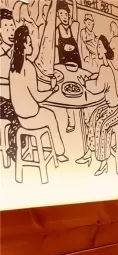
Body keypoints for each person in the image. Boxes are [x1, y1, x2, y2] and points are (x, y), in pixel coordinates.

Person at [9, 25, 68, 163]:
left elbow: (27, 89)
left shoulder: (14, 65)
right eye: (29, 43)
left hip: (20, 116)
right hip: (31, 116)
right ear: (23, 45)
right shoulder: (28, 66)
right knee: (51, 116)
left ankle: (57, 152)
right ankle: (60, 153)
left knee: (48, 114)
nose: (32, 46)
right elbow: (38, 97)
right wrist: (53, 90)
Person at [78, 35, 118, 176]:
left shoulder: (106, 69)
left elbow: (98, 88)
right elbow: (98, 78)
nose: (97, 48)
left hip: (116, 110)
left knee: (101, 125)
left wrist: (85, 83)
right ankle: (89, 153)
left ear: (104, 50)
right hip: (109, 107)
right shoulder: (104, 67)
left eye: (99, 46)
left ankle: (103, 162)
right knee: (92, 118)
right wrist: (90, 79)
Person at [56, 1, 81, 133]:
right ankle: (71, 121)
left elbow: (76, 20)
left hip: (77, 65)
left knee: (82, 89)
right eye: (61, 14)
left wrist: (75, 4)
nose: (64, 16)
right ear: (58, 16)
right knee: (68, 92)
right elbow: (55, 49)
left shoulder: (73, 27)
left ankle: (85, 119)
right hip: (64, 66)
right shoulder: (56, 31)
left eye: (66, 14)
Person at [0, 8, 20, 165]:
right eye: (6, 27)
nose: (10, 31)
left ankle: (18, 145)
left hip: (13, 98)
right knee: (20, 114)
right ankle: (13, 147)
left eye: (12, 26)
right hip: (2, 100)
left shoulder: (18, 51)